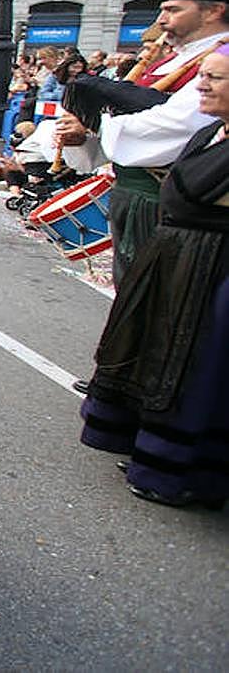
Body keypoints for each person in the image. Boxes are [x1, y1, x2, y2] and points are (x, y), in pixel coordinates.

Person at [78, 44, 229, 510]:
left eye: (215, 78)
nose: (201, 84)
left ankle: (185, 472)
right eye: (201, 74)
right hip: (177, 256)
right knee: (161, 355)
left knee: (200, 367)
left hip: (214, 266)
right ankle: (147, 446)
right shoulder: (210, 133)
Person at [56, 0, 228, 284]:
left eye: (173, 10)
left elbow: (180, 126)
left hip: (163, 201)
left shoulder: (219, 59)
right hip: (133, 191)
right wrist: (86, 133)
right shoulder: (175, 59)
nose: (161, 20)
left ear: (213, 11)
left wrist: (97, 123)